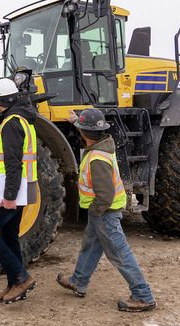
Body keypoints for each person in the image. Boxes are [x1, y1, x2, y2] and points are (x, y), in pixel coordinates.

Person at [57, 108, 156, 312]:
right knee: (90, 246)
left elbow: (105, 194)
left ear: (85, 134)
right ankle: (78, 281)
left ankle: (143, 295)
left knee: (119, 253)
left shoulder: (97, 159)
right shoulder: (101, 146)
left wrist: (95, 209)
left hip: (104, 212)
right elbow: (88, 131)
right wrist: (77, 120)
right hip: (102, 212)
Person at [0, 78, 39, 304]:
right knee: (9, 235)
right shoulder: (21, 119)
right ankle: (14, 284)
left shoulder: (11, 123)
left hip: (9, 190)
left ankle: (22, 277)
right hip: (17, 188)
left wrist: (10, 197)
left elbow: (13, 163)